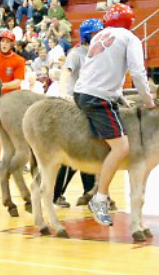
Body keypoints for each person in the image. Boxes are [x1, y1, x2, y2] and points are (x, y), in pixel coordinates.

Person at [74, 3, 155, 226]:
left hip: (81, 92)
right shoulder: (130, 38)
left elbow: (101, 69)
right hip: (97, 98)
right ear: (129, 21)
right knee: (121, 147)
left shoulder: (101, 35)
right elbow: (137, 72)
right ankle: (100, 198)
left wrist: (118, 95)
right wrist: (148, 100)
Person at [54, 19, 104, 208]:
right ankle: (55, 194)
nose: (100, 37)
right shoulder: (77, 54)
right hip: (78, 105)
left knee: (89, 152)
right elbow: (66, 72)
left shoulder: (98, 55)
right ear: (87, 36)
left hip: (92, 104)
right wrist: (63, 93)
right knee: (75, 154)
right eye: (96, 34)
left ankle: (88, 194)